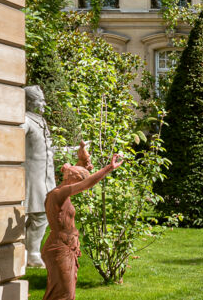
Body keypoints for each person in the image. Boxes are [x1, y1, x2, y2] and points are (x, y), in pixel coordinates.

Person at [41, 142, 123, 300]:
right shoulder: (59, 193)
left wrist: (82, 150)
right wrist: (108, 168)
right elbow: (86, 183)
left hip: (65, 245)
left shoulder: (62, 189)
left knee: (64, 291)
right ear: (73, 179)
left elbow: (81, 169)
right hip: (59, 247)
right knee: (63, 293)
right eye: (77, 176)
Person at [23, 85, 55, 267]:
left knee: (42, 214)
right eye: (39, 100)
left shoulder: (40, 121)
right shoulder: (26, 120)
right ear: (28, 102)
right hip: (32, 176)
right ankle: (32, 253)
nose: (43, 104)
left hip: (45, 175)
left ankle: (29, 251)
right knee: (37, 214)